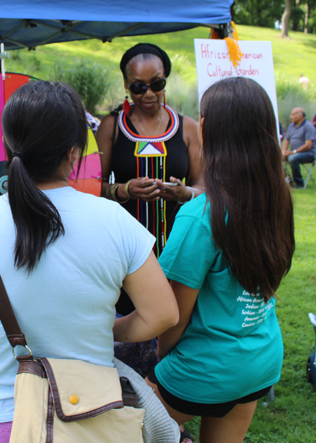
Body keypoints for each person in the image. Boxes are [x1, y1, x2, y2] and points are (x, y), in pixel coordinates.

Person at [0, 81, 178, 443]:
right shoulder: (114, 221)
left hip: (0, 418)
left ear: (7, 146)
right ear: (73, 152)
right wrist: (105, 329)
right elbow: (163, 315)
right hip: (91, 414)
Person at [146, 77, 295, 443]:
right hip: (259, 361)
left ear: (214, 130)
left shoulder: (201, 215)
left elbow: (171, 318)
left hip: (203, 370)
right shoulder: (278, 198)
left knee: (118, 428)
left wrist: (158, 369)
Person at [96, 43, 201, 316]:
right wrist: (123, 189)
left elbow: (206, 188)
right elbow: (90, 186)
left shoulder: (187, 127)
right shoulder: (112, 126)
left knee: (176, 315)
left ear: (166, 78)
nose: (149, 94)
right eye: (138, 87)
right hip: (125, 248)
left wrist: (184, 193)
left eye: (157, 83)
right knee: (130, 316)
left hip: (179, 243)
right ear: (126, 85)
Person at [282, 107, 316, 189]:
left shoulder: (309, 126)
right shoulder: (291, 126)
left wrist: (293, 152)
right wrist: (283, 151)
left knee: (292, 158)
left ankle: (299, 183)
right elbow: (286, 141)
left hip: (309, 153)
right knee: (277, 157)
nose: (291, 116)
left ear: (300, 116)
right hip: (294, 153)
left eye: (293, 115)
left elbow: (308, 145)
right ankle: (286, 180)